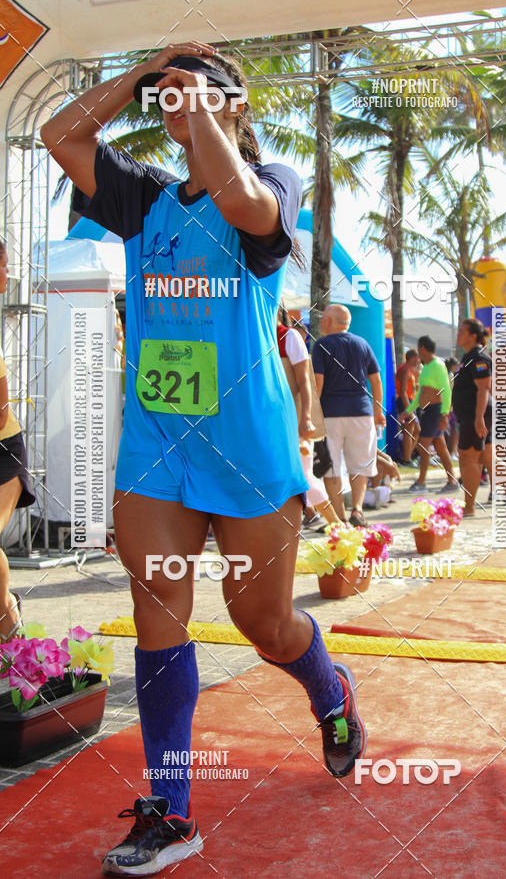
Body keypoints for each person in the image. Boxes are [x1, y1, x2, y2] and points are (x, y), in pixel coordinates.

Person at [41, 45, 366, 876]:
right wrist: (146, 70)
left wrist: (206, 114)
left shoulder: (277, 179)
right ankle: (171, 810)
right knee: (159, 615)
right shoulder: (144, 194)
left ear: (236, 102)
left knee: (263, 624)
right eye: (167, 95)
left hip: (249, 450)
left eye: (196, 90)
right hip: (156, 446)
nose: (175, 101)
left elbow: (248, 208)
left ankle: (330, 692)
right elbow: (61, 133)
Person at [311, 303, 385, 527]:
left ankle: (339, 518)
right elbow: (376, 380)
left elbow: (318, 384)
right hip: (361, 413)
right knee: (360, 464)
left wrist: (311, 415)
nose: (322, 322)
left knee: (331, 465)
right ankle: (358, 510)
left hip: (331, 414)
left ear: (329, 321)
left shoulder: (322, 345)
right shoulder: (362, 344)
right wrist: (378, 412)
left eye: (323, 318)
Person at [0, 241, 36, 642]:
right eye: (4, 266)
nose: (8, 275)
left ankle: (10, 624)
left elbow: (1, 411)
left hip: (4, 451)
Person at [277, 307, 338, 528]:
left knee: (303, 475)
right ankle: (311, 517)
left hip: (293, 420)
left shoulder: (289, 336)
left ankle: (338, 526)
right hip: (267, 422)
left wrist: (305, 419)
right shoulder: (253, 336)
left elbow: (305, 381)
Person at [398, 335, 458, 493]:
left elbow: (446, 390)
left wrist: (445, 414)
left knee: (423, 446)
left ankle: (421, 482)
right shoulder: (427, 367)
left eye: (419, 349)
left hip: (435, 411)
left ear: (423, 348)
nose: (418, 353)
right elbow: (420, 393)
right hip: (426, 411)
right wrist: (409, 410)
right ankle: (452, 481)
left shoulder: (438, 365)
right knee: (440, 446)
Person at [451, 319, 492, 516]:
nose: (458, 334)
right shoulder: (468, 356)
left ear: (473, 336)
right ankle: (471, 503)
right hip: (469, 414)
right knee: (477, 457)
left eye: (462, 331)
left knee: (470, 458)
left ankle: (469, 506)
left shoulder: (478, 357)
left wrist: (478, 418)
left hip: (475, 414)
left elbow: (484, 388)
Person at [395, 349, 420, 465]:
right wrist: (408, 410)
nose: (419, 361)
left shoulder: (409, 370)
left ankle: (407, 456)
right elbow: (403, 392)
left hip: (410, 401)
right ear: (413, 358)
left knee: (416, 430)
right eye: (418, 358)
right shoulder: (405, 370)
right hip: (405, 401)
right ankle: (406, 459)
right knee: (409, 430)